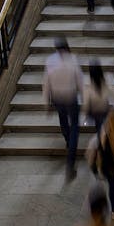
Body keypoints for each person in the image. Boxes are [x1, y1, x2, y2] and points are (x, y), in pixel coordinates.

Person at [44, 37, 85, 179]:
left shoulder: (50, 61)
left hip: (57, 98)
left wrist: (46, 103)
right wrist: (85, 99)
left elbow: (46, 83)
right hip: (70, 97)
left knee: (62, 119)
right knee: (75, 126)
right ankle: (70, 161)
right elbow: (80, 81)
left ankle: (67, 140)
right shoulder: (73, 59)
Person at [83, 61, 114, 134]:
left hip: (95, 111)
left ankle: (101, 140)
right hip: (104, 109)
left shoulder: (88, 84)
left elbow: (86, 102)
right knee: (104, 125)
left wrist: (85, 114)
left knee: (99, 127)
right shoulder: (107, 81)